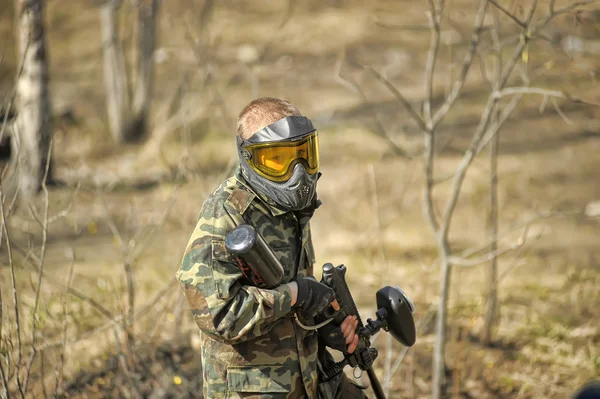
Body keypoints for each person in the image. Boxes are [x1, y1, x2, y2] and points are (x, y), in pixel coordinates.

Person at [176, 97, 368, 398]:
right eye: (278, 160)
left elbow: (287, 297)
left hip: (306, 379)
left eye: (303, 155)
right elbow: (219, 316)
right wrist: (295, 294)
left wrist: (324, 327)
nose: (297, 172)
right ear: (249, 159)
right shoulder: (225, 215)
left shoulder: (291, 210)